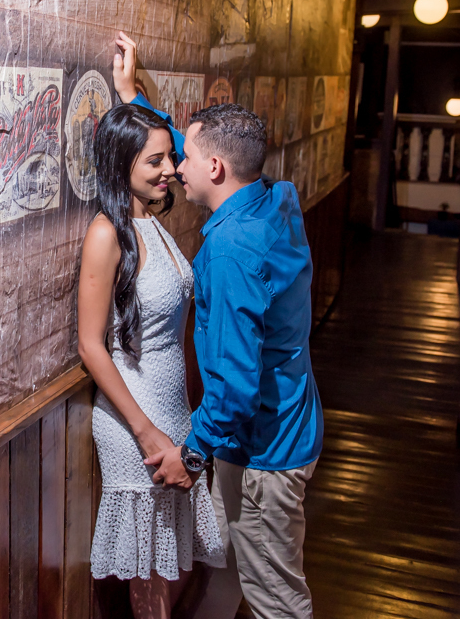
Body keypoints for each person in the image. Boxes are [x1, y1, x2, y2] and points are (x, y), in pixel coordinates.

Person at [113, 32, 324, 619]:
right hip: (290, 426)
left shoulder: (232, 253)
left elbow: (232, 387)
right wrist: (133, 95)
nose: (174, 167)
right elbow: (200, 149)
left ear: (214, 167)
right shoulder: (273, 198)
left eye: (183, 158)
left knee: (278, 602)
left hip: (264, 450)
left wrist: (191, 454)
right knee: (258, 589)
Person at [78, 103, 226, 619]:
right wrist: (144, 432)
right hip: (131, 420)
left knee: (162, 571)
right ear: (122, 166)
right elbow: (91, 345)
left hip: (171, 408)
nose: (171, 170)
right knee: (147, 584)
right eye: (155, 162)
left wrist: (131, 91)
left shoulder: (153, 222)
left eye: (172, 158)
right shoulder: (107, 233)